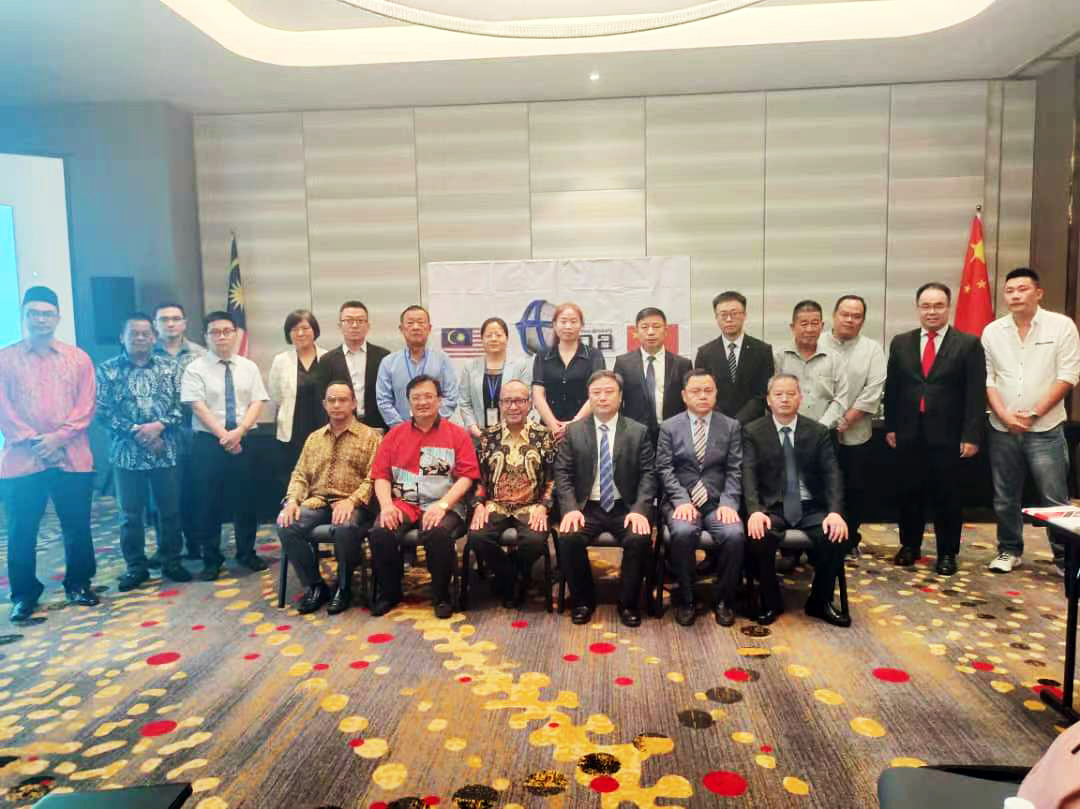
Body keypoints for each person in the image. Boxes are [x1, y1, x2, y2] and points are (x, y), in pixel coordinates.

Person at [0, 286, 98, 622]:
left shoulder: (78, 358)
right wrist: (35, 441)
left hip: (73, 457)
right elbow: (4, 409)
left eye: (47, 314)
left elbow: (86, 405)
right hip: (22, 460)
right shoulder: (4, 359)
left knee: (77, 525)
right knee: (22, 530)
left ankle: (79, 583)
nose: (41, 319)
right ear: (23, 316)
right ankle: (24, 594)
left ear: (57, 317)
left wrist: (58, 438)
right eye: (34, 313)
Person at [982, 268, 1080, 576]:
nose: (1015, 295)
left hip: (1046, 428)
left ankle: (1065, 559)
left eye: (1022, 289)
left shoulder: (1061, 326)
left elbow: (1068, 375)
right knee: (1005, 496)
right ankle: (1009, 550)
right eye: (1009, 290)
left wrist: (1034, 413)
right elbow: (988, 379)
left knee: (1054, 498)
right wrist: (1004, 415)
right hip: (1002, 428)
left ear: (1038, 293)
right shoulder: (992, 331)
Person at [884, 282, 986, 576]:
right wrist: (891, 426)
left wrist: (971, 435)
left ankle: (947, 553)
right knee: (909, 493)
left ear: (948, 307)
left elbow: (975, 394)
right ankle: (909, 546)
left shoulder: (968, 344)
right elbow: (893, 389)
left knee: (948, 497)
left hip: (949, 436)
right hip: (908, 433)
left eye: (938, 305)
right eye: (926, 306)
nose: (932, 311)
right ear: (918, 308)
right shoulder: (901, 342)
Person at [368, 374, 480, 618]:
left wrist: (443, 505)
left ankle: (442, 596)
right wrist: (386, 506)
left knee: (437, 531)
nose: (422, 402)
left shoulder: (457, 434)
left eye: (428, 396)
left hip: (444, 503)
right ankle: (390, 593)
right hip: (403, 502)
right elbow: (381, 476)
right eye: (416, 398)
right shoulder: (394, 435)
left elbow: (467, 477)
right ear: (408, 402)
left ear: (439, 400)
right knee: (380, 531)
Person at [742, 374, 850, 627]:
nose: (784, 399)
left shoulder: (817, 431)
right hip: (773, 506)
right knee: (759, 535)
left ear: (800, 398)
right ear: (768, 400)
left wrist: (835, 512)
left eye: (791, 394)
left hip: (811, 506)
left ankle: (820, 601)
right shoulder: (753, 432)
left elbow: (832, 474)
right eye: (778, 394)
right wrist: (755, 510)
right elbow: (748, 474)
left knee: (836, 535)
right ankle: (770, 601)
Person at [96, 313, 192, 591]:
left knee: (170, 511)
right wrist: (139, 432)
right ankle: (136, 567)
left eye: (145, 334)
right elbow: (103, 412)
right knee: (130, 515)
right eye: (133, 334)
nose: (140, 338)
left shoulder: (170, 368)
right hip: (126, 454)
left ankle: (171, 561)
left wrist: (159, 426)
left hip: (166, 450)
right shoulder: (107, 370)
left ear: (154, 337)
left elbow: (182, 405)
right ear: (122, 338)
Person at [554, 370, 656, 628]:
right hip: (586, 506)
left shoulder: (638, 431)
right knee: (568, 537)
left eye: (609, 392)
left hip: (625, 506)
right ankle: (583, 601)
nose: (602, 398)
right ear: (588, 397)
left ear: (620, 397)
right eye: (596, 393)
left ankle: (628, 604)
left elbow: (649, 475)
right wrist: (570, 508)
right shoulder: (574, 431)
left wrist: (640, 509)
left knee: (639, 538)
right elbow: (562, 473)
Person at [277, 381, 382, 615]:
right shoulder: (314, 438)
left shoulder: (371, 437)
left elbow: (374, 477)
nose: (336, 405)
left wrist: (351, 501)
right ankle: (316, 586)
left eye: (342, 400)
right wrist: (292, 501)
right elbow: (300, 474)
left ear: (353, 403)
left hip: (354, 504)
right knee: (286, 524)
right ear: (324, 405)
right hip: (317, 502)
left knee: (344, 526)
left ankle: (344, 588)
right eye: (331, 400)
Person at [180, 310, 270, 581]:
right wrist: (225, 436)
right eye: (215, 332)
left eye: (227, 331)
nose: (221, 337)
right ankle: (211, 558)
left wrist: (239, 432)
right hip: (208, 442)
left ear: (235, 334)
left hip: (244, 439)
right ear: (206, 336)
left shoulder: (248, 367)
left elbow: (257, 401)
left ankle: (246, 552)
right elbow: (197, 406)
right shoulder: (195, 368)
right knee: (208, 502)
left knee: (246, 500)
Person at [655, 369, 744, 627]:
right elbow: (664, 468)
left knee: (734, 534)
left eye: (708, 390)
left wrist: (729, 503)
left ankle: (724, 600)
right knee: (682, 533)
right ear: (684, 395)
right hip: (681, 501)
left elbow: (735, 469)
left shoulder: (730, 426)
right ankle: (687, 598)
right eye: (696, 391)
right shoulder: (669, 427)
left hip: (717, 503)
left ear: (716, 393)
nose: (703, 396)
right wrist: (681, 500)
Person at [469, 380, 556, 607]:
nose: (513, 406)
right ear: (500, 405)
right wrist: (478, 504)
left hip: (531, 506)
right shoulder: (488, 436)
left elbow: (553, 478)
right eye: (507, 401)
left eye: (519, 401)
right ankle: (512, 578)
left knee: (535, 540)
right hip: (495, 505)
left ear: (530, 404)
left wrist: (543, 506)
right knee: (477, 537)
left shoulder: (544, 436)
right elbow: (480, 478)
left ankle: (509, 575)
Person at [824, 294, 886, 552]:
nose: (849, 319)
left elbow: (873, 390)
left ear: (862, 320)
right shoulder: (817, 343)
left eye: (856, 316)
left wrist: (845, 420)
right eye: (845, 314)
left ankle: (849, 539)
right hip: (819, 433)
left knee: (854, 487)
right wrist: (827, 423)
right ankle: (819, 539)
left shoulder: (872, 349)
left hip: (856, 433)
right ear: (834, 316)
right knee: (820, 485)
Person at [152, 302, 206, 562]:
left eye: (175, 319)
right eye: (164, 319)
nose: (170, 324)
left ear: (185, 323)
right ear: (155, 324)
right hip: (160, 436)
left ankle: (196, 544)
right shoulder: (146, 353)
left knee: (195, 491)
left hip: (194, 432)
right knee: (163, 497)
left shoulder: (200, 354)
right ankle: (166, 549)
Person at [268, 309, 328, 494]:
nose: (300, 333)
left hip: (322, 427)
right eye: (294, 329)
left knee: (322, 477)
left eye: (305, 328)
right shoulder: (281, 360)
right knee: (291, 478)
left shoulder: (328, 357)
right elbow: (275, 394)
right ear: (288, 334)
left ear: (314, 330)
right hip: (292, 430)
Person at [612, 307, 692, 445]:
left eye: (656, 326)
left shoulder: (683, 364)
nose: (650, 332)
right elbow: (617, 400)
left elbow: (689, 402)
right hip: (634, 434)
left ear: (665, 331)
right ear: (636, 332)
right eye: (644, 327)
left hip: (674, 434)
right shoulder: (623, 363)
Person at [693, 291, 774, 424]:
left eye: (734, 313)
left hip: (753, 425)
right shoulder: (705, 353)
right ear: (716, 317)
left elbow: (764, 393)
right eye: (723, 314)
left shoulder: (762, 350)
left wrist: (738, 421)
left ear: (744, 315)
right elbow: (703, 392)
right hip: (716, 424)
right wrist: (725, 422)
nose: (729, 319)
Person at [376, 305, 459, 428]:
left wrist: (431, 423)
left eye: (420, 322)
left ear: (429, 328)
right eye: (410, 323)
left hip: (436, 430)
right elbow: (384, 401)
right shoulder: (388, 363)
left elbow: (451, 397)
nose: (416, 327)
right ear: (401, 329)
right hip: (401, 432)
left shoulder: (442, 360)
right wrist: (402, 428)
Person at [532, 303, 605, 441]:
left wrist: (573, 425)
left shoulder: (594, 355)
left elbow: (597, 393)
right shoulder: (543, 356)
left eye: (573, 321)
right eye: (563, 321)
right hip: (549, 431)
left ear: (581, 325)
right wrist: (554, 427)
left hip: (584, 429)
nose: (568, 326)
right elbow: (538, 396)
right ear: (554, 325)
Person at [773, 300, 849, 430]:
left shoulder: (834, 358)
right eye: (804, 324)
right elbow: (773, 396)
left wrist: (821, 427)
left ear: (822, 325)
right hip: (787, 431)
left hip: (825, 431)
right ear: (793, 327)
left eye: (814, 323)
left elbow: (841, 398)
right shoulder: (779, 357)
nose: (809, 329)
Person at [315, 301, 390, 431]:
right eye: (349, 321)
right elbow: (323, 400)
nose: (355, 325)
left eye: (360, 320)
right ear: (340, 326)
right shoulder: (327, 360)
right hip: (341, 428)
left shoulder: (383, 357)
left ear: (368, 326)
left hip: (377, 427)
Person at [458, 317, 533, 439]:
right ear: (482, 339)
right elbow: (464, 403)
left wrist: (505, 430)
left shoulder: (520, 366)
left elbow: (527, 400)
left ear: (506, 338)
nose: (493, 339)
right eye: (489, 335)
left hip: (512, 434)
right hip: (478, 434)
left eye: (498, 335)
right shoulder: (470, 368)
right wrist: (475, 430)